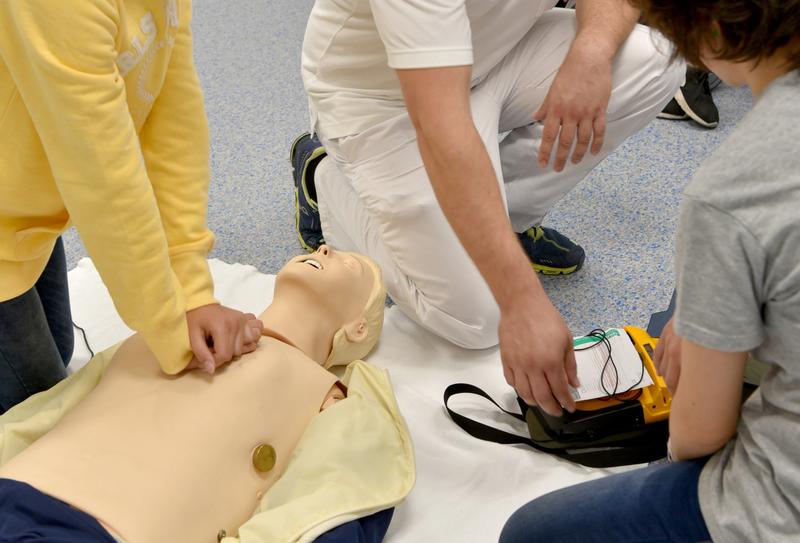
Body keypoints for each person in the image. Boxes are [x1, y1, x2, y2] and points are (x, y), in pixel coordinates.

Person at [292, 1, 683, 417]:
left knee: (655, 61)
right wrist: (523, 303)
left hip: (496, 55)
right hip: (382, 100)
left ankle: (499, 225)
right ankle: (324, 179)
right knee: (476, 320)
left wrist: (591, 54)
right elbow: (442, 129)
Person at [499, 1, 800, 541]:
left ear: (705, 31)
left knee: (530, 532)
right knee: (674, 318)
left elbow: (698, 438)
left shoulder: (730, 194)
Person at [0, 246, 389, 543]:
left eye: (348, 263)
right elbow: (52, 408)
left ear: (358, 329)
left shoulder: (331, 400)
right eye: (323, 247)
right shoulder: (180, 326)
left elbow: (334, 504)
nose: (323, 249)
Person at [0, 0, 262, 413]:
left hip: (26, 205)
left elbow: (173, 121)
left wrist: (193, 293)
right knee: (40, 412)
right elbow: (105, 184)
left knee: (61, 349)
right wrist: (173, 332)